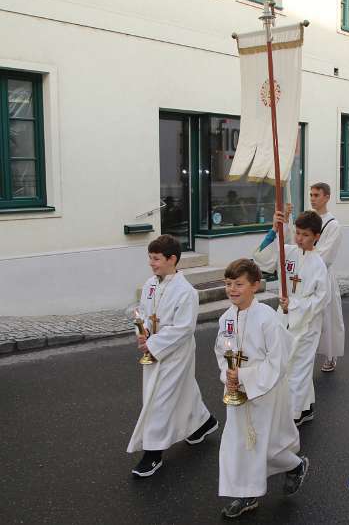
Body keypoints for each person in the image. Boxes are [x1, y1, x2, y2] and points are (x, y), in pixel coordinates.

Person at [215, 259, 309, 518]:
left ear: (255, 286)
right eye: (228, 284)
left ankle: (291, 467)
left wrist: (244, 376)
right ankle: (247, 494)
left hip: (264, 390)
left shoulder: (267, 318)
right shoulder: (226, 319)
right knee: (239, 442)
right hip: (237, 391)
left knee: (261, 444)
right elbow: (222, 352)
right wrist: (228, 376)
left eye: (239, 284)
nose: (232, 289)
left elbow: (277, 360)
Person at [127, 235, 217, 477]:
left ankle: (153, 453)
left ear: (172, 259)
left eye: (156, 259)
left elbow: (183, 329)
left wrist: (153, 344)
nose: (151, 263)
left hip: (175, 352)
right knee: (183, 389)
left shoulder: (186, 292)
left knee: (160, 399)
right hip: (154, 347)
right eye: (150, 258)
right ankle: (204, 421)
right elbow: (145, 313)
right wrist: (143, 330)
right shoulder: (150, 285)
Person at [254, 210, 328, 426]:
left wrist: (295, 304)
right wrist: (276, 228)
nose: (299, 238)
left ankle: (293, 414)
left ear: (316, 236)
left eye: (305, 235)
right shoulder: (288, 252)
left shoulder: (318, 265)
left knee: (299, 367)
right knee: (284, 363)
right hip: (284, 317)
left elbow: (320, 299)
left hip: (306, 322)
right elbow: (263, 258)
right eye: (297, 233)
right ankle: (305, 406)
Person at [307, 182, 346, 373]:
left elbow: (326, 254)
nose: (313, 198)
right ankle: (306, 353)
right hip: (305, 276)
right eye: (311, 195)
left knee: (328, 317)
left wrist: (309, 258)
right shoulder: (308, 220)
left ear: (327, 197)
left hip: (323, 276)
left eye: (316, 195)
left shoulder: (333, 225)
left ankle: (330, 356)